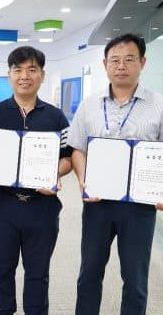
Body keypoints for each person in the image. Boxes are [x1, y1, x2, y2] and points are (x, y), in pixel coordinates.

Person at [68, 33, 163, 315]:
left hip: (139, 207)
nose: (121, 66)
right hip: (98, 204)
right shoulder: (90, 104)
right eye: (115, 60)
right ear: (105, 64)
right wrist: (84, 181)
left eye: (129, 59)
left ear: (142, 62)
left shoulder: (159, 105)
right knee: (89, 274)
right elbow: (77, 149)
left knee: (135, 279)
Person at [0, 46, 72, 315]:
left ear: (42, 75)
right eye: (18, 70)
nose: (24, 76)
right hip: (1, 205)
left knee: (38, 274)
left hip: (42, 206)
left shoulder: (56, 117)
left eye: (32, 69)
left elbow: (68, 158)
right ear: (9, 75)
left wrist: (55, 173)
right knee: (1, 271)